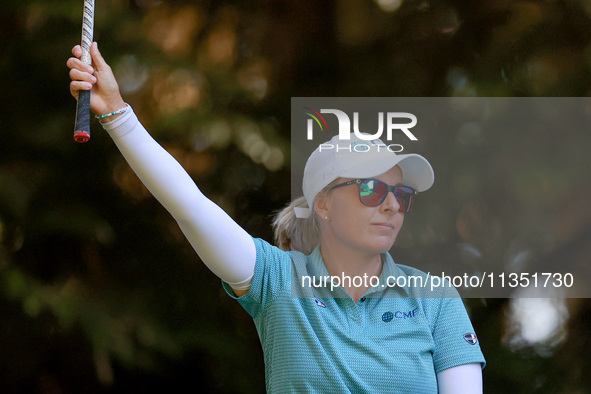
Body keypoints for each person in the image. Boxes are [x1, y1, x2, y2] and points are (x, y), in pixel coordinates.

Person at [68, 42, 485, 393]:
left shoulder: (435, 297)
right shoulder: (276, 280)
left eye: (402, 194)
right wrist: (117, 113)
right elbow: (190, 205)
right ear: (323, 204)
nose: (391, 205)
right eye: (370, 189)